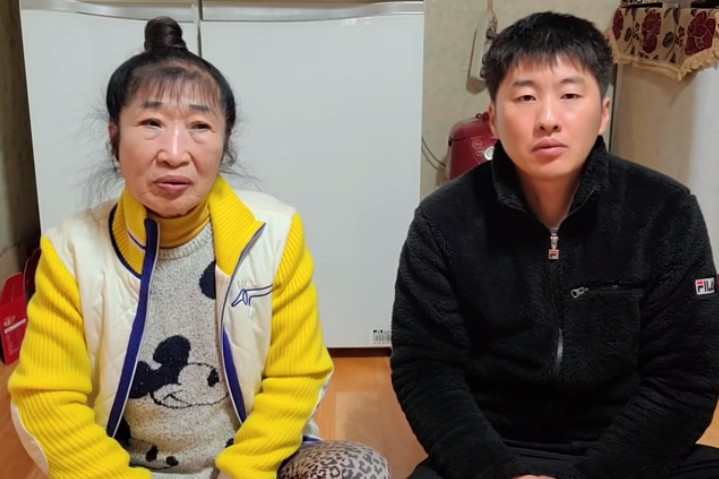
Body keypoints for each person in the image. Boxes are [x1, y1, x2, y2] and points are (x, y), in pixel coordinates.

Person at [9, 16, 389, 479]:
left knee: (358, 470)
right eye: (151, 123)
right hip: (126, 469)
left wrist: (240, 473)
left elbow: (297, 376)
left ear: (224, 143)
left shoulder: (275, 234)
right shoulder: (70, 250)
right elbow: (47, 398)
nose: (174, 152)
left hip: (250, 466)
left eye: (199, 126)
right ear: (114, 138)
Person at [390, 11, 719, 479]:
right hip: (498, 447)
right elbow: (425, 370)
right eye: (525, 97)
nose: (547, 119)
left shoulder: (666, 211)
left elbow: (687, 377)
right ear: (493, 119)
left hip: (628, 449)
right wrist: (499, 472)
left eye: (570, 95)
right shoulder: (442, 221)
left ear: (603, 112)